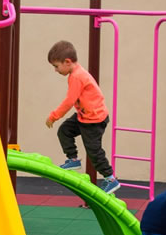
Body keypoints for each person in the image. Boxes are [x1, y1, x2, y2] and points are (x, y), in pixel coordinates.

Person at [45, 40, 120, 194]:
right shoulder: (76, 73)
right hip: (84, 116)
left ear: (67, 62)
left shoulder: (77, 77)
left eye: (56, 66)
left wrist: (54, 116)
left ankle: (110, 178)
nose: (55, 70)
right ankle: (73, 160)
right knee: (64, 131)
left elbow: (69, 101)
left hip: (94, 120)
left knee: (93, 151)